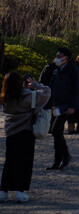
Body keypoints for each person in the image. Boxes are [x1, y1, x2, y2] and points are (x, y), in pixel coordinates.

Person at [1, 72, 51, 202]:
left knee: (10, 162)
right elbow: (46, 92)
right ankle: (20, 191)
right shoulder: (28, 95)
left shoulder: (6, 98)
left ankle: (3, 190)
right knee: (25, 162)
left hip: (11, 132)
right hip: (26, 131)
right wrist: (35, 84)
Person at [47, 47, 79, 171]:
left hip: (66, 105)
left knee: (56, 130)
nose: (56, 58)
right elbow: (51, 85)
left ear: (66, 57)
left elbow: (77, 89)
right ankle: (59, 159)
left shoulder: (73, 70)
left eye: (59, 56)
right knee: (57, 132)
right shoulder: (57, 69)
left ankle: (65, 156)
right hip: (56, 104)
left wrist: (73, 106)